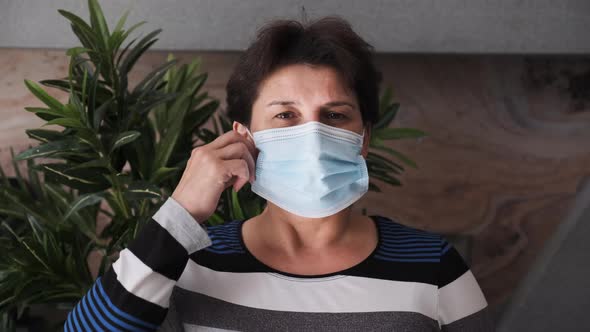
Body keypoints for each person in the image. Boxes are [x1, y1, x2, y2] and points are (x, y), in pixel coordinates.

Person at [63, 16, 494, 332]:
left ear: (363, 139)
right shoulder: (190, 265)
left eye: (335, 114)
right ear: (243, 137)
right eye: (285, 115)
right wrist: (181, 213)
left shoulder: (433, 267)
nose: (312, 134)